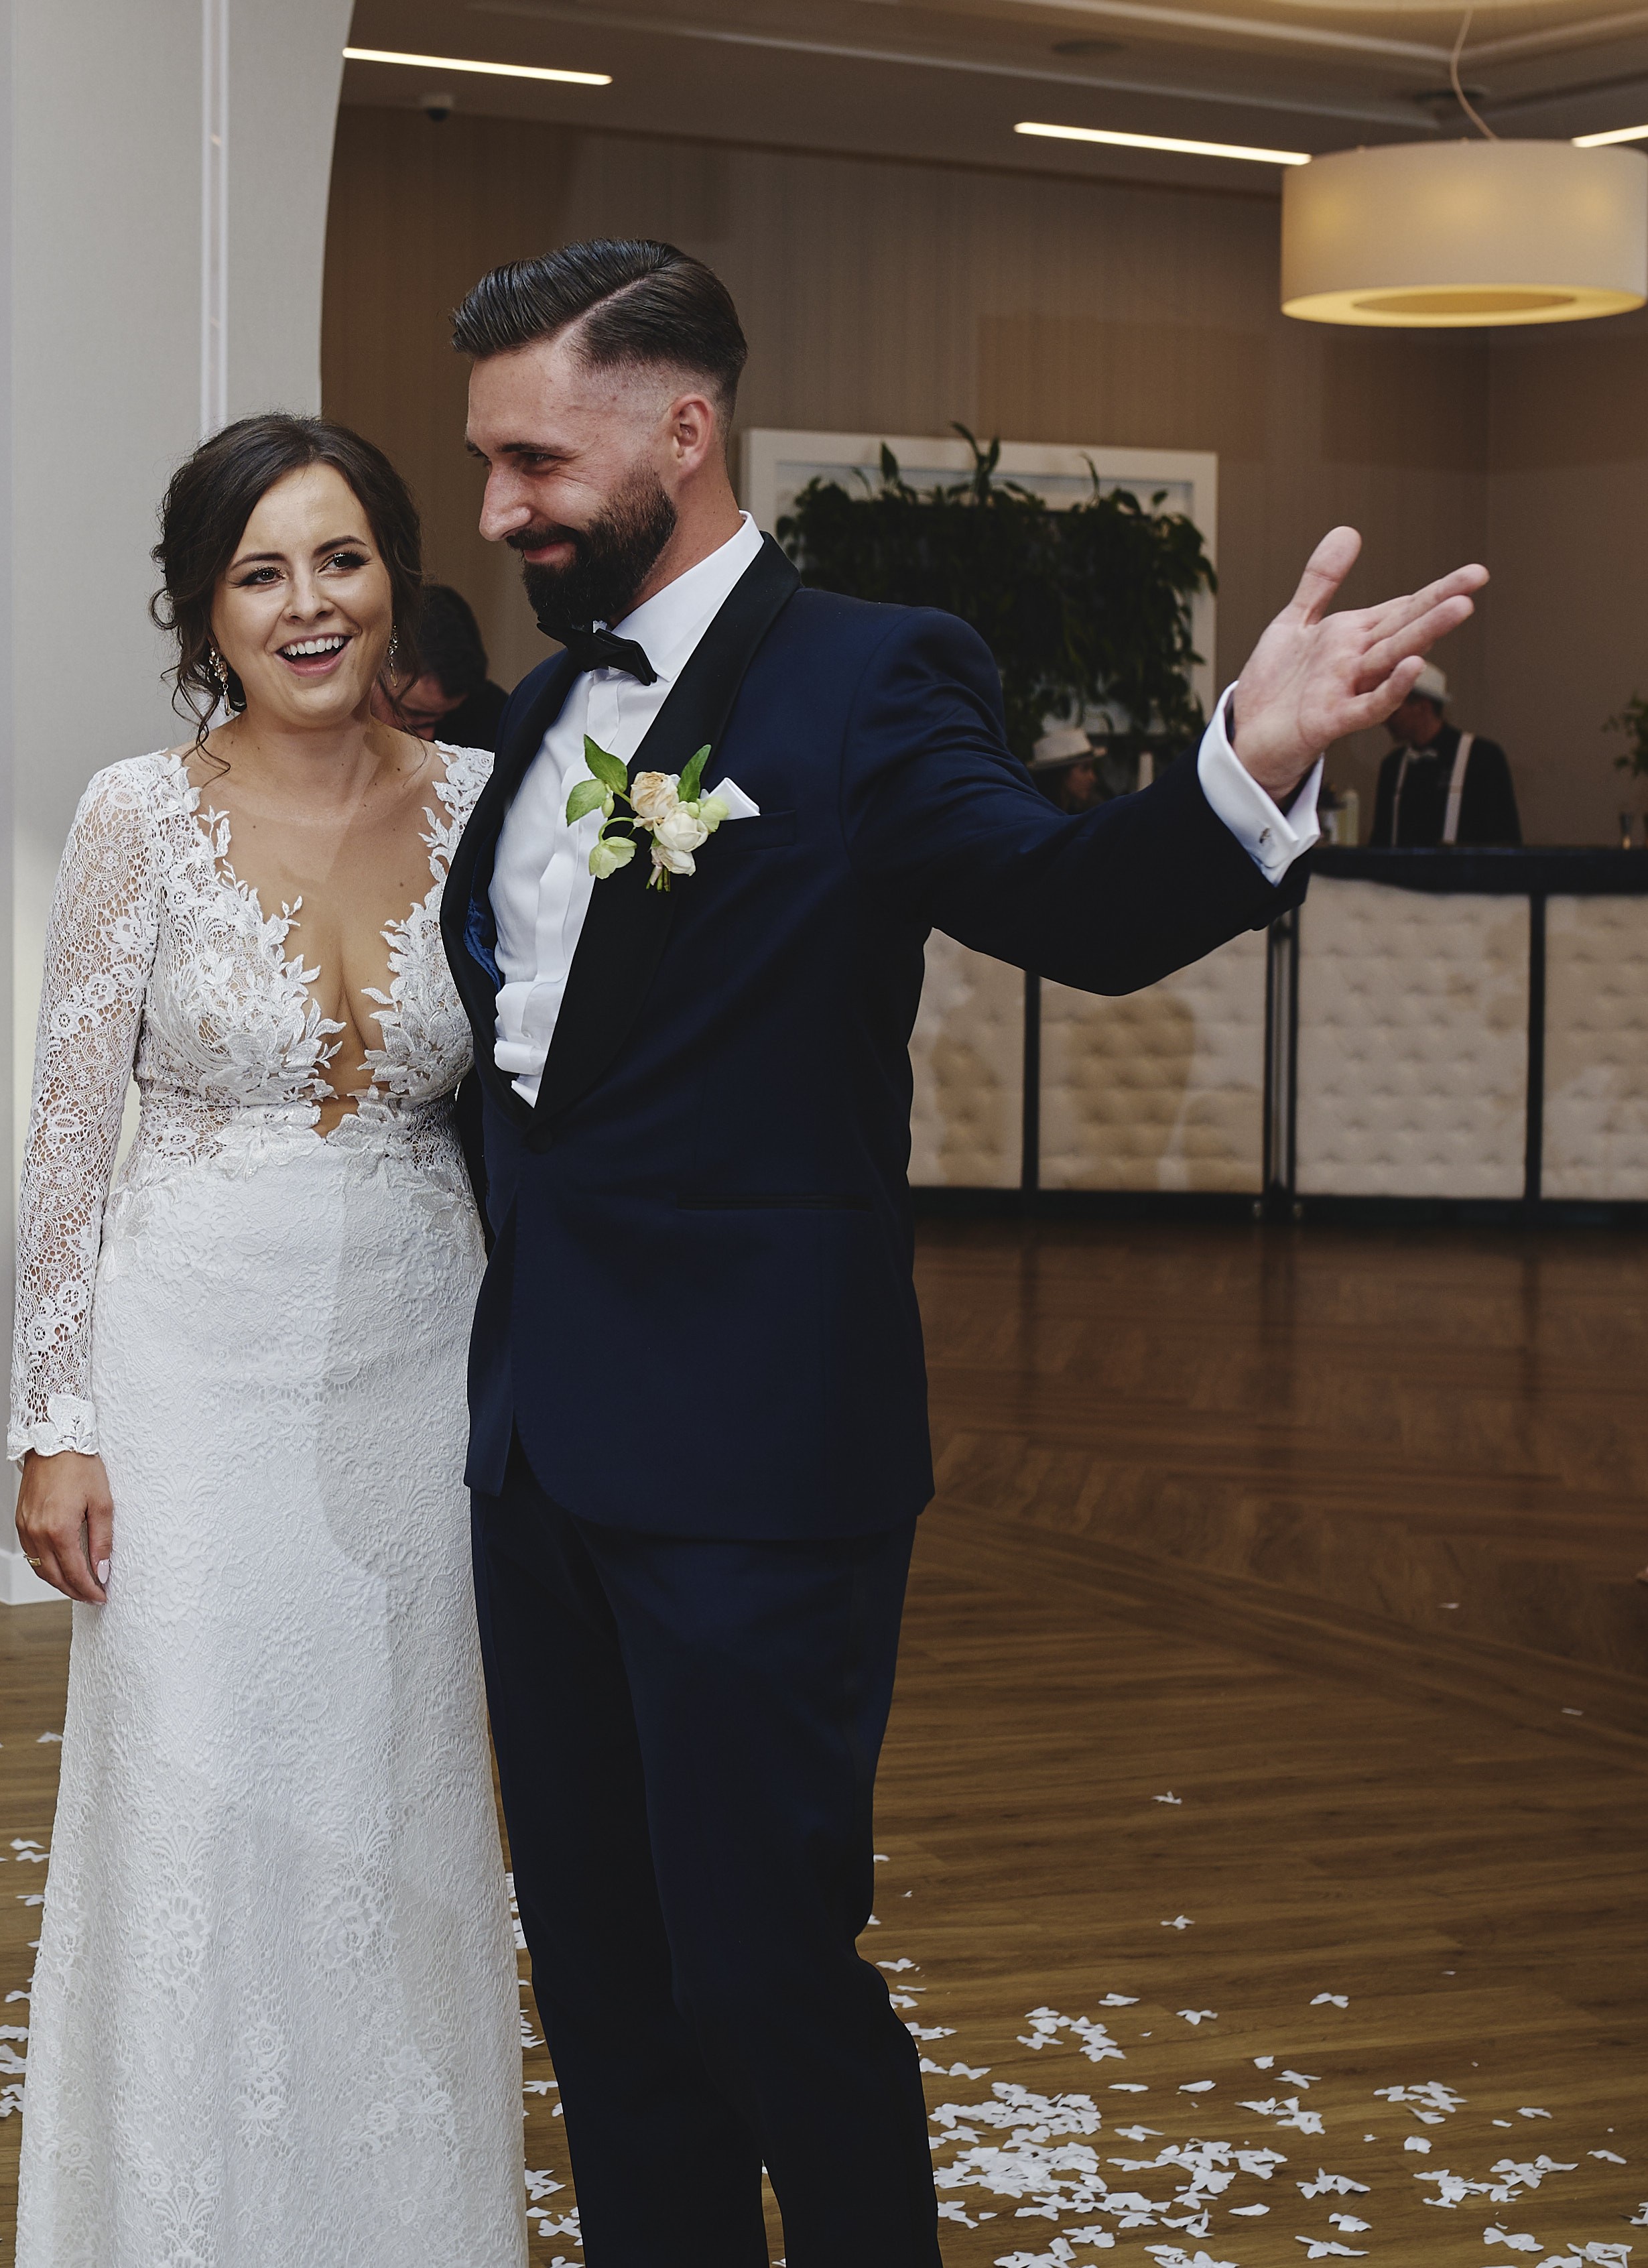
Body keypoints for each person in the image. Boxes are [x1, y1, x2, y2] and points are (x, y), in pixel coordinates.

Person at [422, 239, 1480, 2264]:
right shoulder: (547, 703)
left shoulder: (869, 674)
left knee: (762, 1979)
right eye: (485, 462)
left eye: (532, 461)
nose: (495, 510)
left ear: (682, 430)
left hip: (754, 1465)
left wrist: (1245, 764)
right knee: (609, 1997)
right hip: (538, 1458)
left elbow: (1060, 898)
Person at [5, 415, 525, 2265]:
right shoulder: (131, 817)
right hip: (187, 1374)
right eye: (260, 572)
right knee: (194, 1798)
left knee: (398, 1797)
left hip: (420, 1365)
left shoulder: (491, 803)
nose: (308, 606)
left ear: (394, 578)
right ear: (202, 609)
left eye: (339, 560)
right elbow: (67, 1133)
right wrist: (54, 1417)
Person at [1371, 660, 1520, 846]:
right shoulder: (1392, 766)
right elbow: (1381, 841)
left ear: (1422, 706)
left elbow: (1505, 841)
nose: (1385, 721)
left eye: (1394, 711)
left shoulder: (1482, 758)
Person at [372, 580, 509, 752]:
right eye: (415, 715)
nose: (429, 736)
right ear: (374, 670)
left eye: (448, 717)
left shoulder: (493, 716)